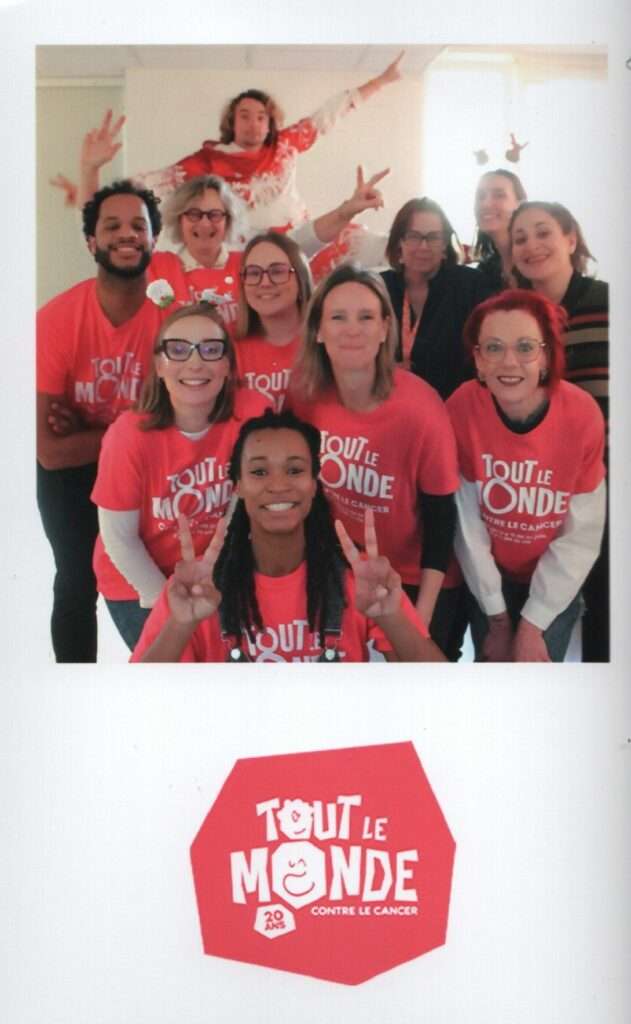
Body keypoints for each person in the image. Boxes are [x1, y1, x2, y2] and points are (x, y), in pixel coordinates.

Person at [132, 409, 445, 663]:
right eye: (259, 472)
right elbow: (137, 700)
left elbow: (439, 690)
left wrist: (392, 617)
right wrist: (180, 625)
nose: (279, 485)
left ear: (314, 484)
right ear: (238, 486)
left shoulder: (361, 578)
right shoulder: (197, 586)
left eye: (295, 470)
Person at [290, 264, 460, 651]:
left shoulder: (421, 408)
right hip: (342, 571)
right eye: (338, 317)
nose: (352, 329)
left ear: (385, 329)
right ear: (318, 330)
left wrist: (419, 621)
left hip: (417, 578)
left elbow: (441, 520)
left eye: (366, 317)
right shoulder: (304, 397)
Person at [37, 179, 165, 662]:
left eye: (138, 225)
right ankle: (76, 690)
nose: (126, 234)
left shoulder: (170, 319)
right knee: (75, 580)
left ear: (154, 239)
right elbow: (51, 452)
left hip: (145, 468)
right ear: (92, 242)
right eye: (112, 226)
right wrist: (139, 426)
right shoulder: (55, 320)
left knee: (163, 573)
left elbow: (179, 424)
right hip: (74, 473)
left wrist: (91, 432)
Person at [90, 303, 268, 650]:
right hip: (138, 580)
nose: (195, 362)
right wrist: (171, 608)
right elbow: (120, 540)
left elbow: (243, 505)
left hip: (211, 574)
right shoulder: (128, 436)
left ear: (228, 365)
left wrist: (220, 577)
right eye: (178, 349)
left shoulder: (253, 413)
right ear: (159, 365)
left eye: (211, 349)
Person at [447, 289, 606, 662]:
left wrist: (533, 624)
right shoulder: (462, 408)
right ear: (478, 361)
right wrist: (498, 619)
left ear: (546, 357)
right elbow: (467, 527)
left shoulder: (582, 416)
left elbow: (579, 536)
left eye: (525, 347)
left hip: (556, 575)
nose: (509, 362)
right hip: (488, 573)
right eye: (494, 348)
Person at [69, 54, 404, 231]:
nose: (253, 123)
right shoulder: (208, 161)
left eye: (261, 117)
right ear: (232, 121)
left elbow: (331, 112)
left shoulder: (286, 144)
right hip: (243, 249)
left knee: (357, 242)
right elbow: (147, 185)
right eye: (244, 115)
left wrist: (383, 80)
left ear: (270, 123)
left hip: (298, 237)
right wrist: (90, 174)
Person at [509, 201, 609, 661]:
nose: (531, 245)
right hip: (538, 489)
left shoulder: (608, 302)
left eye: (543, 232)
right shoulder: (516, 318)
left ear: (571, 239)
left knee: (608, 618)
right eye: (520, 238)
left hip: (605, 481)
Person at [147, 167, 390, 329]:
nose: (204, 223)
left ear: (228, 220)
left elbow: (300, 242)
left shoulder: (249, 266)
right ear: (178, 219)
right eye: (193, 214)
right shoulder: (158, 268)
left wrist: (346, 211)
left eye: (214, 214)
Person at [380, 197, 495, 399]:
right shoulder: (379, 288)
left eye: (433, 237)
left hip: (455, 404)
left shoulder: (471, 286)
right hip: (390, 402)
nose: (424, 246)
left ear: (444, 245)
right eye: (414, 236)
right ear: (399, 242)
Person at [234, 231, 313, 412]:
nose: (265, 283)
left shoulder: (326, 340)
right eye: (254, 273)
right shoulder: (226, 346)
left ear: (301, 279)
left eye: (277, 271)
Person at [471, 168, 527, 289]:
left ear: (520, 204)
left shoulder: (536, 259)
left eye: (499, 195)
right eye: (480, 196)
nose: (486, 204)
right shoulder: (485, 271)